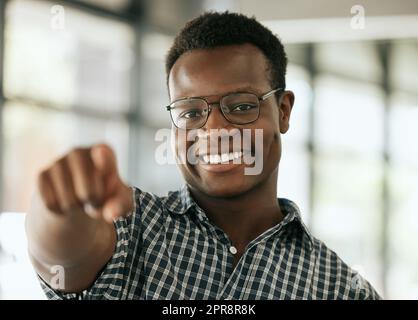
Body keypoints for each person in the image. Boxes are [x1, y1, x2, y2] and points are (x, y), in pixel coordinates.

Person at [26, 11, 381, 299]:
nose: (213, 132)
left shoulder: (340, 288)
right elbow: (61, 256)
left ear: (283, 110)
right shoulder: (135, 227)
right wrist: (59, 208)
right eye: (190, 112)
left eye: (241, 106)